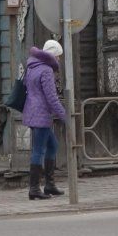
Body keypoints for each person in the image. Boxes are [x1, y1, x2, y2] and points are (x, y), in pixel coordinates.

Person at [21, 39, 68, 200]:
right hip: (41, 114)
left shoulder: (32, 67)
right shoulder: (46, 70)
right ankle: (34, 188)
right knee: (39, 150)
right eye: (58, 56)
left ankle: (49, 185)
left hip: (32, 112)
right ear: (53, 55)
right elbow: (51, 98)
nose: (59, 59)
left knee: (52, 145)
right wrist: (65, 116)